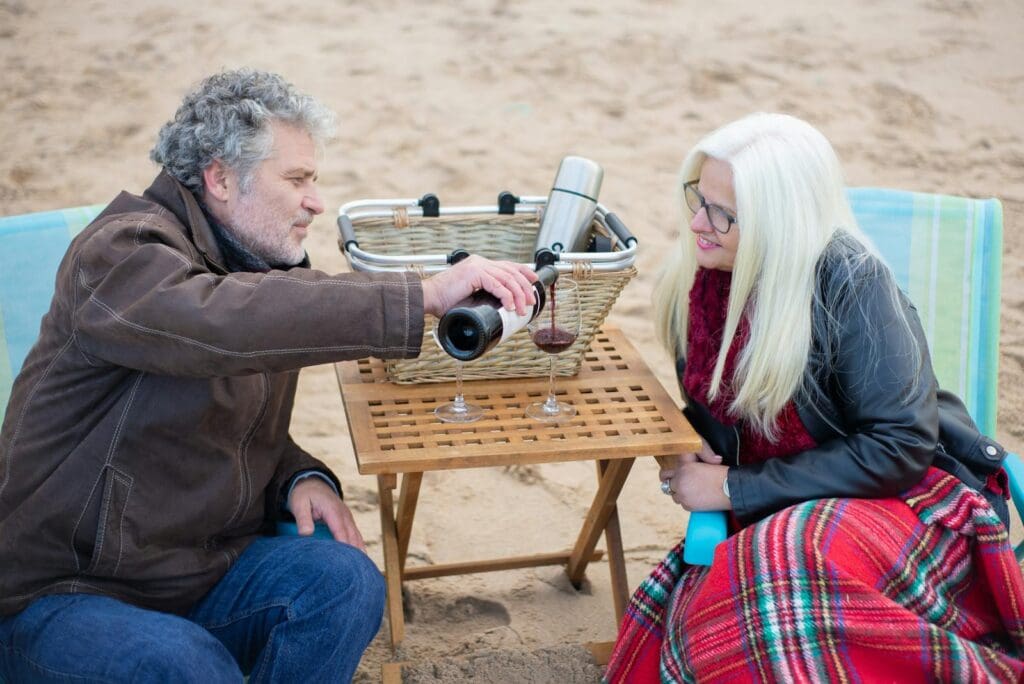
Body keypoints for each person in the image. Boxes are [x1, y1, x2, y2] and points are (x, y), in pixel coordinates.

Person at [0, 69, 539, 682]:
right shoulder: (120, 256)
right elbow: (217, 326)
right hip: (62, 594)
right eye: (297, 180)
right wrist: (422, 294)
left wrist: (296, 475)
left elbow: (221, 416)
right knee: (184, 662)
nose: (316, 201)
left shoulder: (252, 269)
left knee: (345, 586)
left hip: (198, 576)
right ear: (221, 178)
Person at [603, 113, 1024, 682]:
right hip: (786, 510)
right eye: (698, 198)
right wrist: (680, 444)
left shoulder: (852, 282)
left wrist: (731, 486)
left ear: (780, 223)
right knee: (767, 567)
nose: (699, 222)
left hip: (912, 501)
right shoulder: (697, 283)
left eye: (724, 214)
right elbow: (722, 424)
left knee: (782, 558)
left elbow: (900, 447)